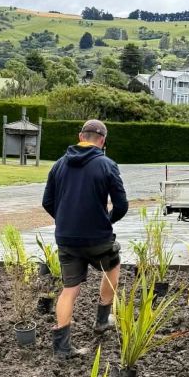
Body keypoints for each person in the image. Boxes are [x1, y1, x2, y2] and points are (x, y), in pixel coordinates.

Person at [42, 119, 128, 359]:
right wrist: (106, 220)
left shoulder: (58, 165)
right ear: (102, 141)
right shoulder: (107, 165)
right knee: (112, 266)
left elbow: (47, 202)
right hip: (97, 237)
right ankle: (102, 320)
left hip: (66, 238)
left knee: (69, 289)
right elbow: (122, 205)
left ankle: (62, 348)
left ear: (81, 136)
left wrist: (65, 221)